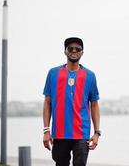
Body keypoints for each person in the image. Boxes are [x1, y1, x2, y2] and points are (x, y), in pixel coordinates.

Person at [42, 37, 101, 166]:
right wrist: (46, 131)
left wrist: (97, 133)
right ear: (65, 51)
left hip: (81, 135)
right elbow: (47, 102)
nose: (74, 51)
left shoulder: (90, 76)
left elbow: (94, 105)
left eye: (77, 49)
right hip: (59, 134)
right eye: (70, 48)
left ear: (82, 52)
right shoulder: (53, 73)